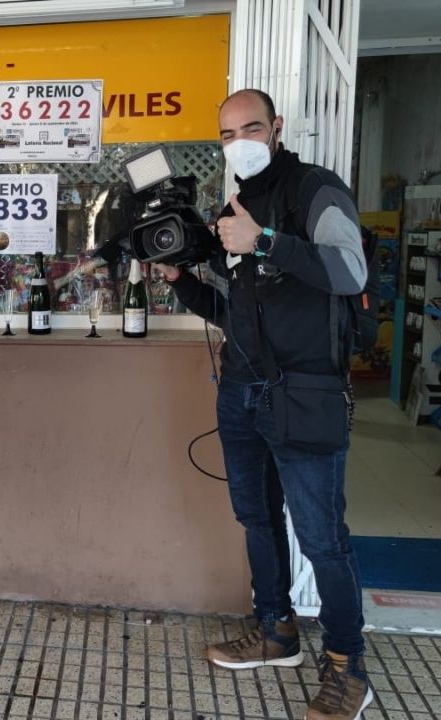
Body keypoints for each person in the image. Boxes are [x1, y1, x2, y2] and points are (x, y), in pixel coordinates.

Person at [158, 89, 372, 720]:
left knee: (323, 539)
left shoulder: (315, 190)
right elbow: (236, 310)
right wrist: (183, 284)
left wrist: (266, 239)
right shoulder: (235, 208)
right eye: (227, 134)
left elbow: (350, 271)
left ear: (277, 127)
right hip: (243, 390)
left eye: (251, 127)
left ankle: (346, 664)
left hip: (305, 392)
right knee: (256, 519)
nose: (240, 142)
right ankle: (276, 631)